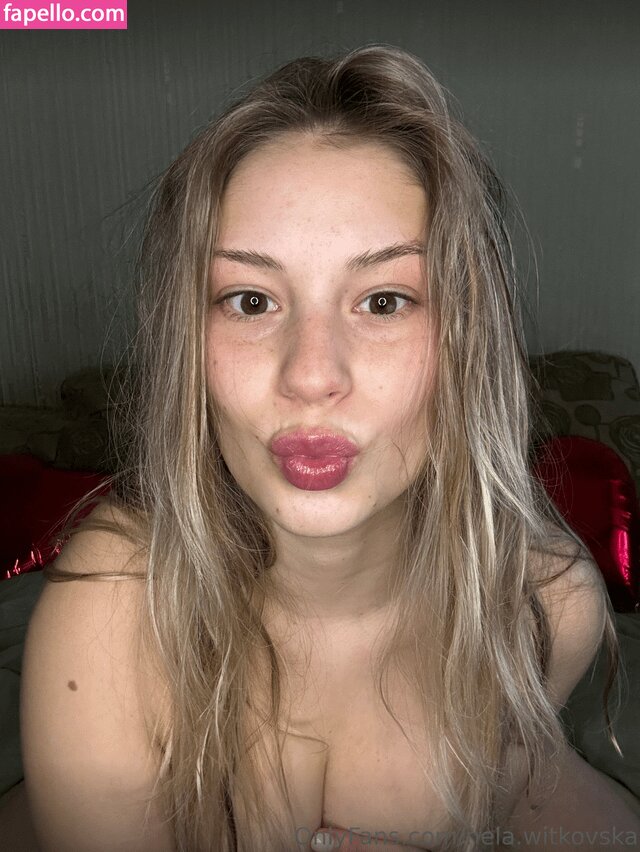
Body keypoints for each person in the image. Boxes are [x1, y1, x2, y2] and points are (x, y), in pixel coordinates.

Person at [16, 45, 640, 852]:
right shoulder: (113, 615)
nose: (311, 376)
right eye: (251, 301)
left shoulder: (543, 606)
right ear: (187, 346)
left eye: (384, 301)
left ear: (468, 345)